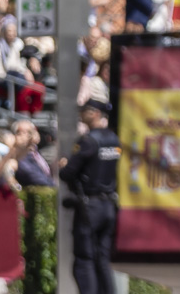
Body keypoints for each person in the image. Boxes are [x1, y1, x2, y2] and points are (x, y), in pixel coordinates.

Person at [59, 99, 119, 294]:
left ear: (94, 113)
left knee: (84, 259)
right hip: (108, 205)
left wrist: (63, 166)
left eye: (85, 111)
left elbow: (68, 173)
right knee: (102, 260)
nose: (81, 114)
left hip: (90, 207)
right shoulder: (113, 139)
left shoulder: (88, 141)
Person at [8, 119, 53, 188]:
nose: (29, 137)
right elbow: (38, 180)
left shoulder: (34, 153)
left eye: (30, 132)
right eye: (21, 133)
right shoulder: (20, 158)